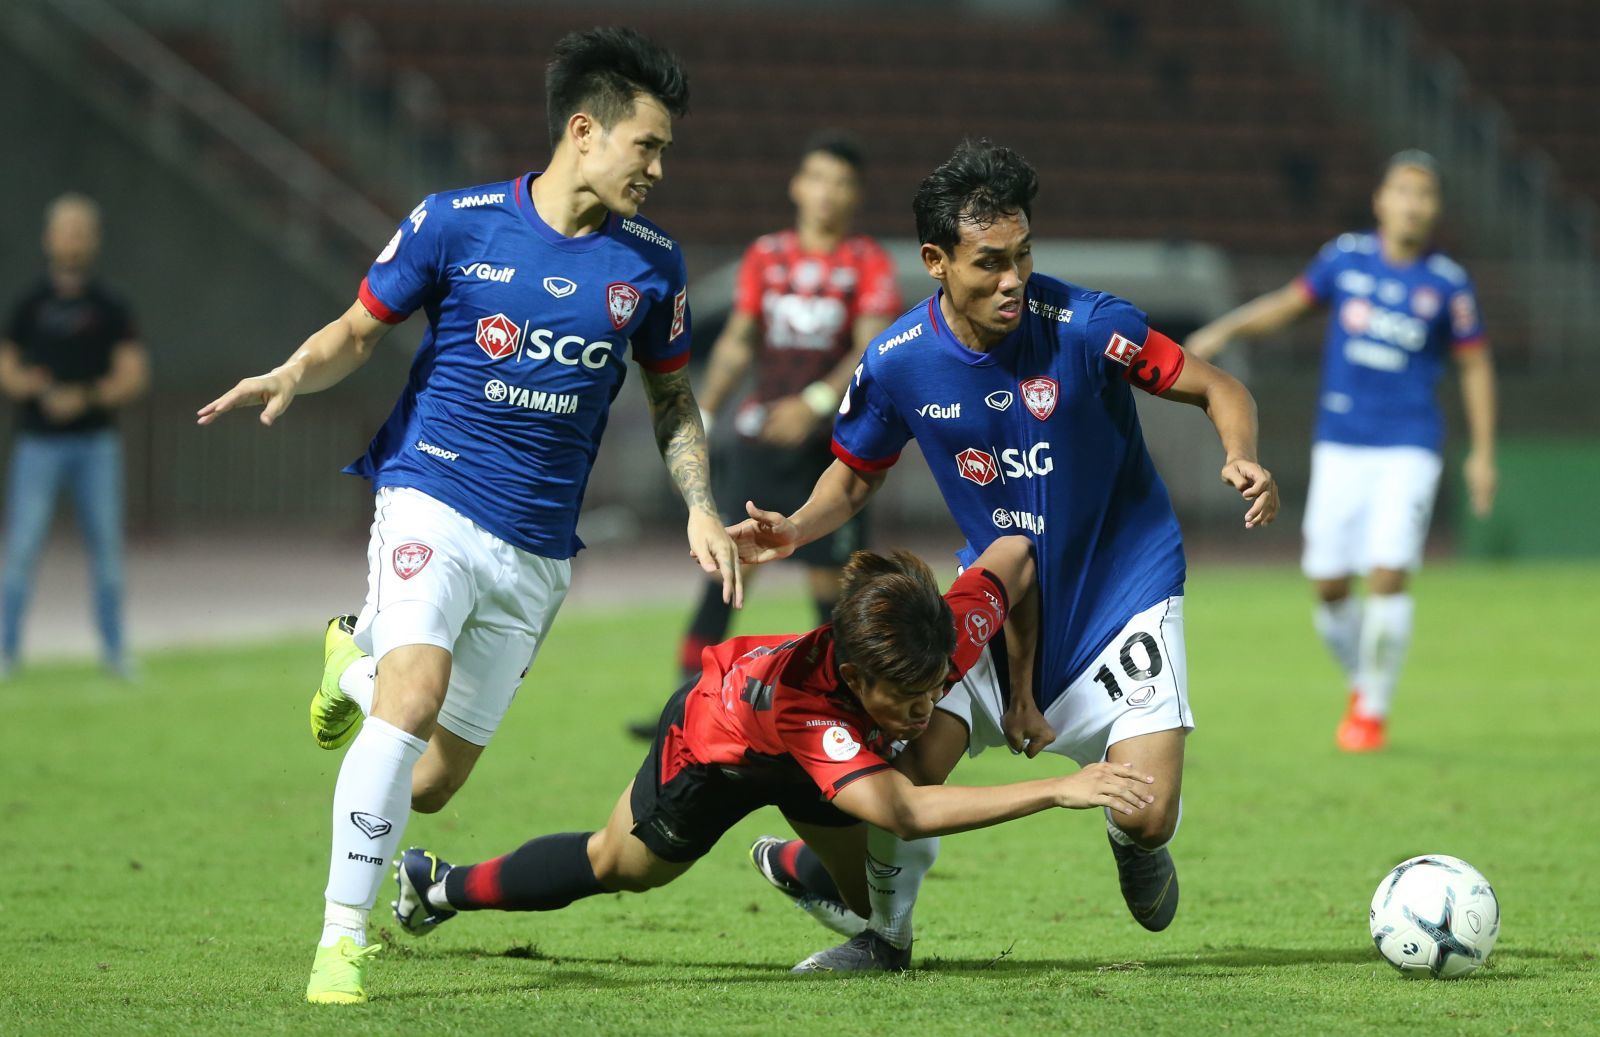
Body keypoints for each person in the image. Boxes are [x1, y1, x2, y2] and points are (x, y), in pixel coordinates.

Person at [197, 28, 739, 1004]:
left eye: (664, 150)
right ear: (585, 130)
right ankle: (340, 939)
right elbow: (361, 329)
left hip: (536, 549)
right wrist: (293, 369)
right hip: (431, 495)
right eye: (647, 145)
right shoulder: (457, 221)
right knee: (413, 695)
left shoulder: (653, 267)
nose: (659, 167)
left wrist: (699, 501)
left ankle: (346, 663)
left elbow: (670, 400)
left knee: (435, 779)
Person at [728, 139, 1279, 971]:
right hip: (997, 595)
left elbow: (1217, 385)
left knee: (1147, 810)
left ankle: (1133, 841)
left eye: (1023, 256)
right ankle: (884, 934)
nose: (1012, 278)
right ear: (935, 261)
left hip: (1120, 596)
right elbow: (853, 475)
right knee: (903, 766)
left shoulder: (1090, 326)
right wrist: (794, 529)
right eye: (989, 263)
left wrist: (1242, 452)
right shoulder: (898, 361)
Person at [389, 537, 1161, 965]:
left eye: (936, 688)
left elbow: (1018, 557)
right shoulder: (808, 705)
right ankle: (441, 885)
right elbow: (904, 808)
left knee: (867, 898)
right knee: (617, 866)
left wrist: (1019, 691)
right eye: (910, 700)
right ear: (856, 678)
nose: (928, 708)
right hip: (716, 744)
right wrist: (1059, 790)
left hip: (819, 758)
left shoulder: (932, 632)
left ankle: (791, 864)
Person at [1186, 150, 1497, 753]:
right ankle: (1364, 680)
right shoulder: (1346, 259)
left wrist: (1482, 453)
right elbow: (1288, 304)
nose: (1414, 203)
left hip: (1410, 446)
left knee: (1386, 572)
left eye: (1426, 195)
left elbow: (1476, 366)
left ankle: (1373, 711)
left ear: (1435, 209)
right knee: (1328, 585)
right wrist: (1225, 330)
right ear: (1381, 200)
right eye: (1404, 191)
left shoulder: (1447, 284)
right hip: (1341, 445)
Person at [673, 132, 901, 681]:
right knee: (728, 565)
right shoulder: (767, 255)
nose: (828, 192)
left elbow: (870, 348)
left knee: (835, 580)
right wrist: (703, 412)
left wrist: (816, 402)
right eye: (819, 178)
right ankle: (685, 700)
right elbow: (737, 339)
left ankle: (845, 695)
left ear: (856, 195)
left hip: (833, 448)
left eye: (842, 183)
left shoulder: (867, 262)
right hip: (761, 439)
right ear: (798, 186)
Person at [0, 194, 149, 679]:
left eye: (81, 231)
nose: (73, 240)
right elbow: (7, 365)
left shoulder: (110, 306)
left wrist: (84, 398)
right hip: (37, 444)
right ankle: (6, 651)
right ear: (49, 238)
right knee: (21, 549)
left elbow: (133, 373)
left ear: (93, 240)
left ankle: (114, 652)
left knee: (106, 552)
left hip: (95, 444)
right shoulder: (31, 305)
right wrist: (33, 386)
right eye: (65, 230)